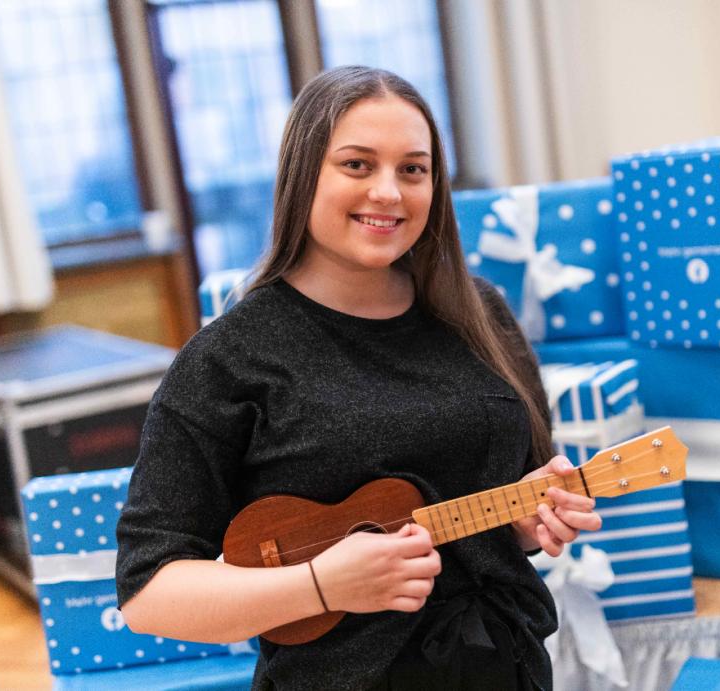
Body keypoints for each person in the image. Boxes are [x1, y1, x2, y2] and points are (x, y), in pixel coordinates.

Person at [115, 66, 603, 691]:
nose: (389, 193)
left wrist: (526, 520)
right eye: (356, 164)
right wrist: (319, 585)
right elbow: (148, 591)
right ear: (302, 176)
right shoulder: (228, 359)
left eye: (413, 169)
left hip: (505, 667)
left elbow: (504, 501)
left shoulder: (480, 316)